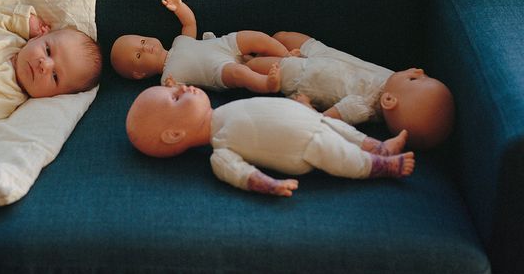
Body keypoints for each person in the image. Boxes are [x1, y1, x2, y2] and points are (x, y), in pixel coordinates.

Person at [125, 81, 415, 197]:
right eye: (176, 97)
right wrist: (270, 185)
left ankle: (380, 147)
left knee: (344, 131)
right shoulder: (220, 149)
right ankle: (380, 166)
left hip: (312, 120)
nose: (184, 88)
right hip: (305, 148)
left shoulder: (224, 111)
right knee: (340, 155)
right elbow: (240, 174)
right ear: (174, 134)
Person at [244, 32, 455, 150]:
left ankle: (241, 61)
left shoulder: (363, 107)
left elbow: (326, 119)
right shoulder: (392, 80)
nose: (419, 70)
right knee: (283, 36)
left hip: (304, 75)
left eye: (415, 79)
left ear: (389, 101)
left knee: (256, 66)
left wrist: (308, 109)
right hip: (322, 53)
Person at [110, 0, 295, 94]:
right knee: (240, 73)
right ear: (139, 74)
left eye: (141, 41)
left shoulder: (179, 42)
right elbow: (176, 94)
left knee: (256, 37)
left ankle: (287, 55)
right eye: (138, 54)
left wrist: (180, 8)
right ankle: (267, 85)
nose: (144, 46)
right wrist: (173, 89)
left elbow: (189, 24)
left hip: (223, 45)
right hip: (218, 70)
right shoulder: (168, 77)